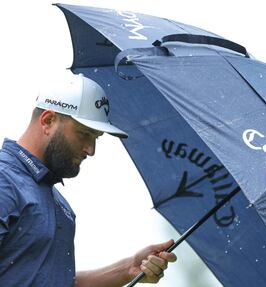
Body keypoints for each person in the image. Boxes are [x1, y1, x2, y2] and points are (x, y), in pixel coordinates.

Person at [0, 74, 177, 286]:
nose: (91, 150)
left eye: (96, 138)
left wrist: (128, 269)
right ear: (48, 121)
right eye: (84, 133)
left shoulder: (58, 204)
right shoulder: (4, 182)